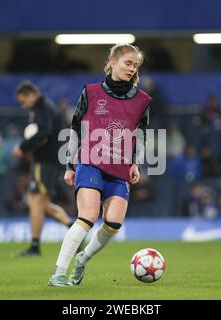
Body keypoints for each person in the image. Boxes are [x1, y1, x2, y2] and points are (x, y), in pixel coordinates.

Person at [48, 44, 152, 286]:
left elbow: (141, 135)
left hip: (120, 167)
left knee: (114, 222)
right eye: (128, 63)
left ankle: (83, 259)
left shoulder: (143, 100)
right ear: (113, 62)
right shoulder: (91, 92)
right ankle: (59, 273)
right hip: (90, 161)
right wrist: (69, 165)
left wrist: (135, 163)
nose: (132, 68)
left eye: (135, 65)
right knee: (88, 215)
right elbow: (75, 128)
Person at [12, 81, 75, 256]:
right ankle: (74, 231)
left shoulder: (42, 108)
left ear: (31, 94)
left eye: (23, 100)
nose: (23, 105)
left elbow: (44, 132)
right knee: (42, 203)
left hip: (45, 161)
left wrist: (22, 147)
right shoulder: (47, 107)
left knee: (35, 201)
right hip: (51, 161)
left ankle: (34, 246)